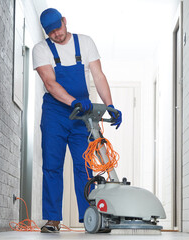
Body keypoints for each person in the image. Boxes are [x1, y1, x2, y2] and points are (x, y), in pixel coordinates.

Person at [32, 8, 122, 233]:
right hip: (55, 112)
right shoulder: (41, 49)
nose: (57, 35)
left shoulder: (85, 42)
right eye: (51, 32)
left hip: (82, 114)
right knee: (52, 165)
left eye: (58, 28)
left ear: (64, 21)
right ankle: (53, 219)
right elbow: (50, 83)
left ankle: (89, 218)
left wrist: (109, 105)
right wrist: (73, 101)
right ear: (46, 32)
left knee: (85, 165)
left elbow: (98, 75)